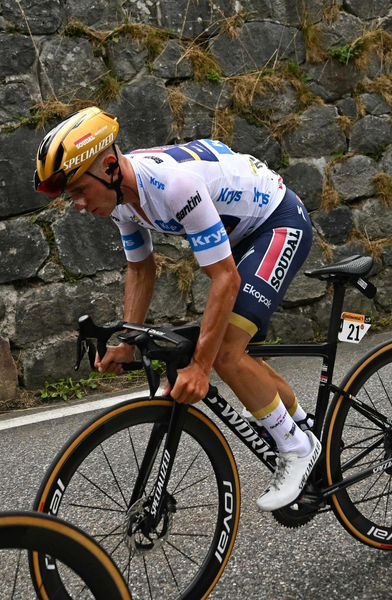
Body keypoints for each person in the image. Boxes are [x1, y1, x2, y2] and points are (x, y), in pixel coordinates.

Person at [34, 107, 320, 511]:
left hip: (277, 221)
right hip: (240, 233)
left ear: (111, 166)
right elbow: (140, 268)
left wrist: (200, 368)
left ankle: (296, 447)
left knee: (223, 353)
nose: (77, 204)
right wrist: (128, 343)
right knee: (231, 352)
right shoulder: (121, 202)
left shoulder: (173, 188)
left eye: (79, 190)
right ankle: (304, 429)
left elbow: (225, 279)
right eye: (71, 196)